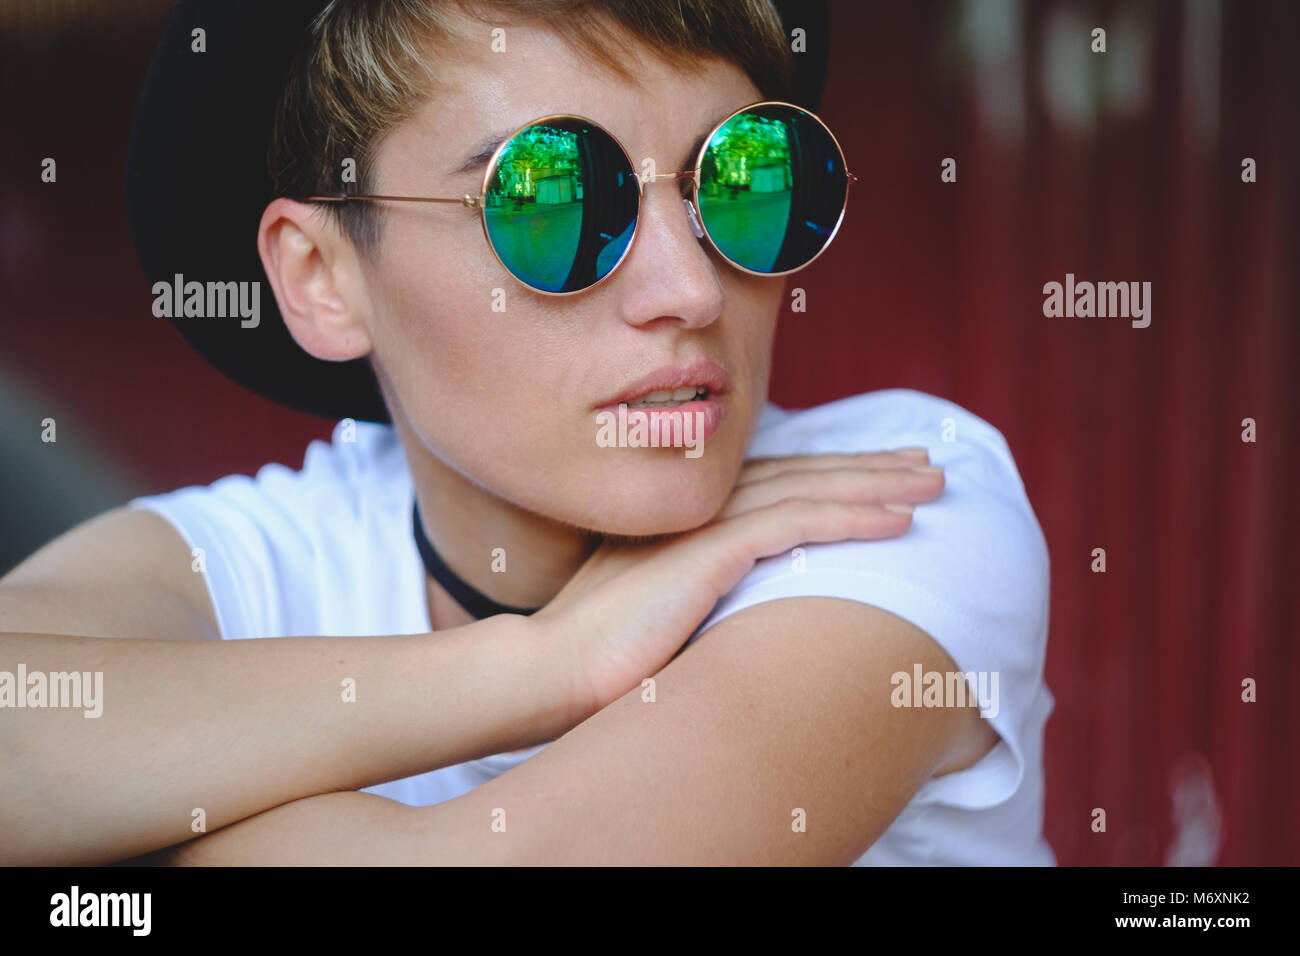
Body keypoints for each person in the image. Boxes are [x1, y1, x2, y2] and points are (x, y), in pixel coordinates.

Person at [0, 0, 1054, 865]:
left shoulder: (902, 503)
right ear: (323, 277)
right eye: (553, 195)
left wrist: (126, 821)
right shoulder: (263, 558)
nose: (688, 288)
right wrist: (540, 661)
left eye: (743, 179)